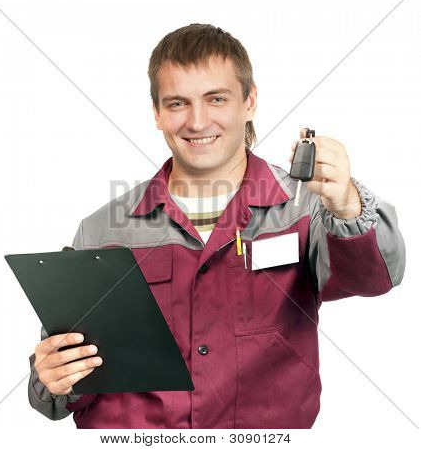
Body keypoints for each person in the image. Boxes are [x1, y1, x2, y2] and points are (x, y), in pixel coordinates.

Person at [28, 23, 405, 429]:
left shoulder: (306, 210)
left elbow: (376, 278)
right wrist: (52, 379)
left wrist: (348, 204)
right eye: (177, 103)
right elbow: (57, 387)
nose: (197, 121)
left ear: (250, 101)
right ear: (156, 113)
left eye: (216, 98)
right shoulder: (101, 231)